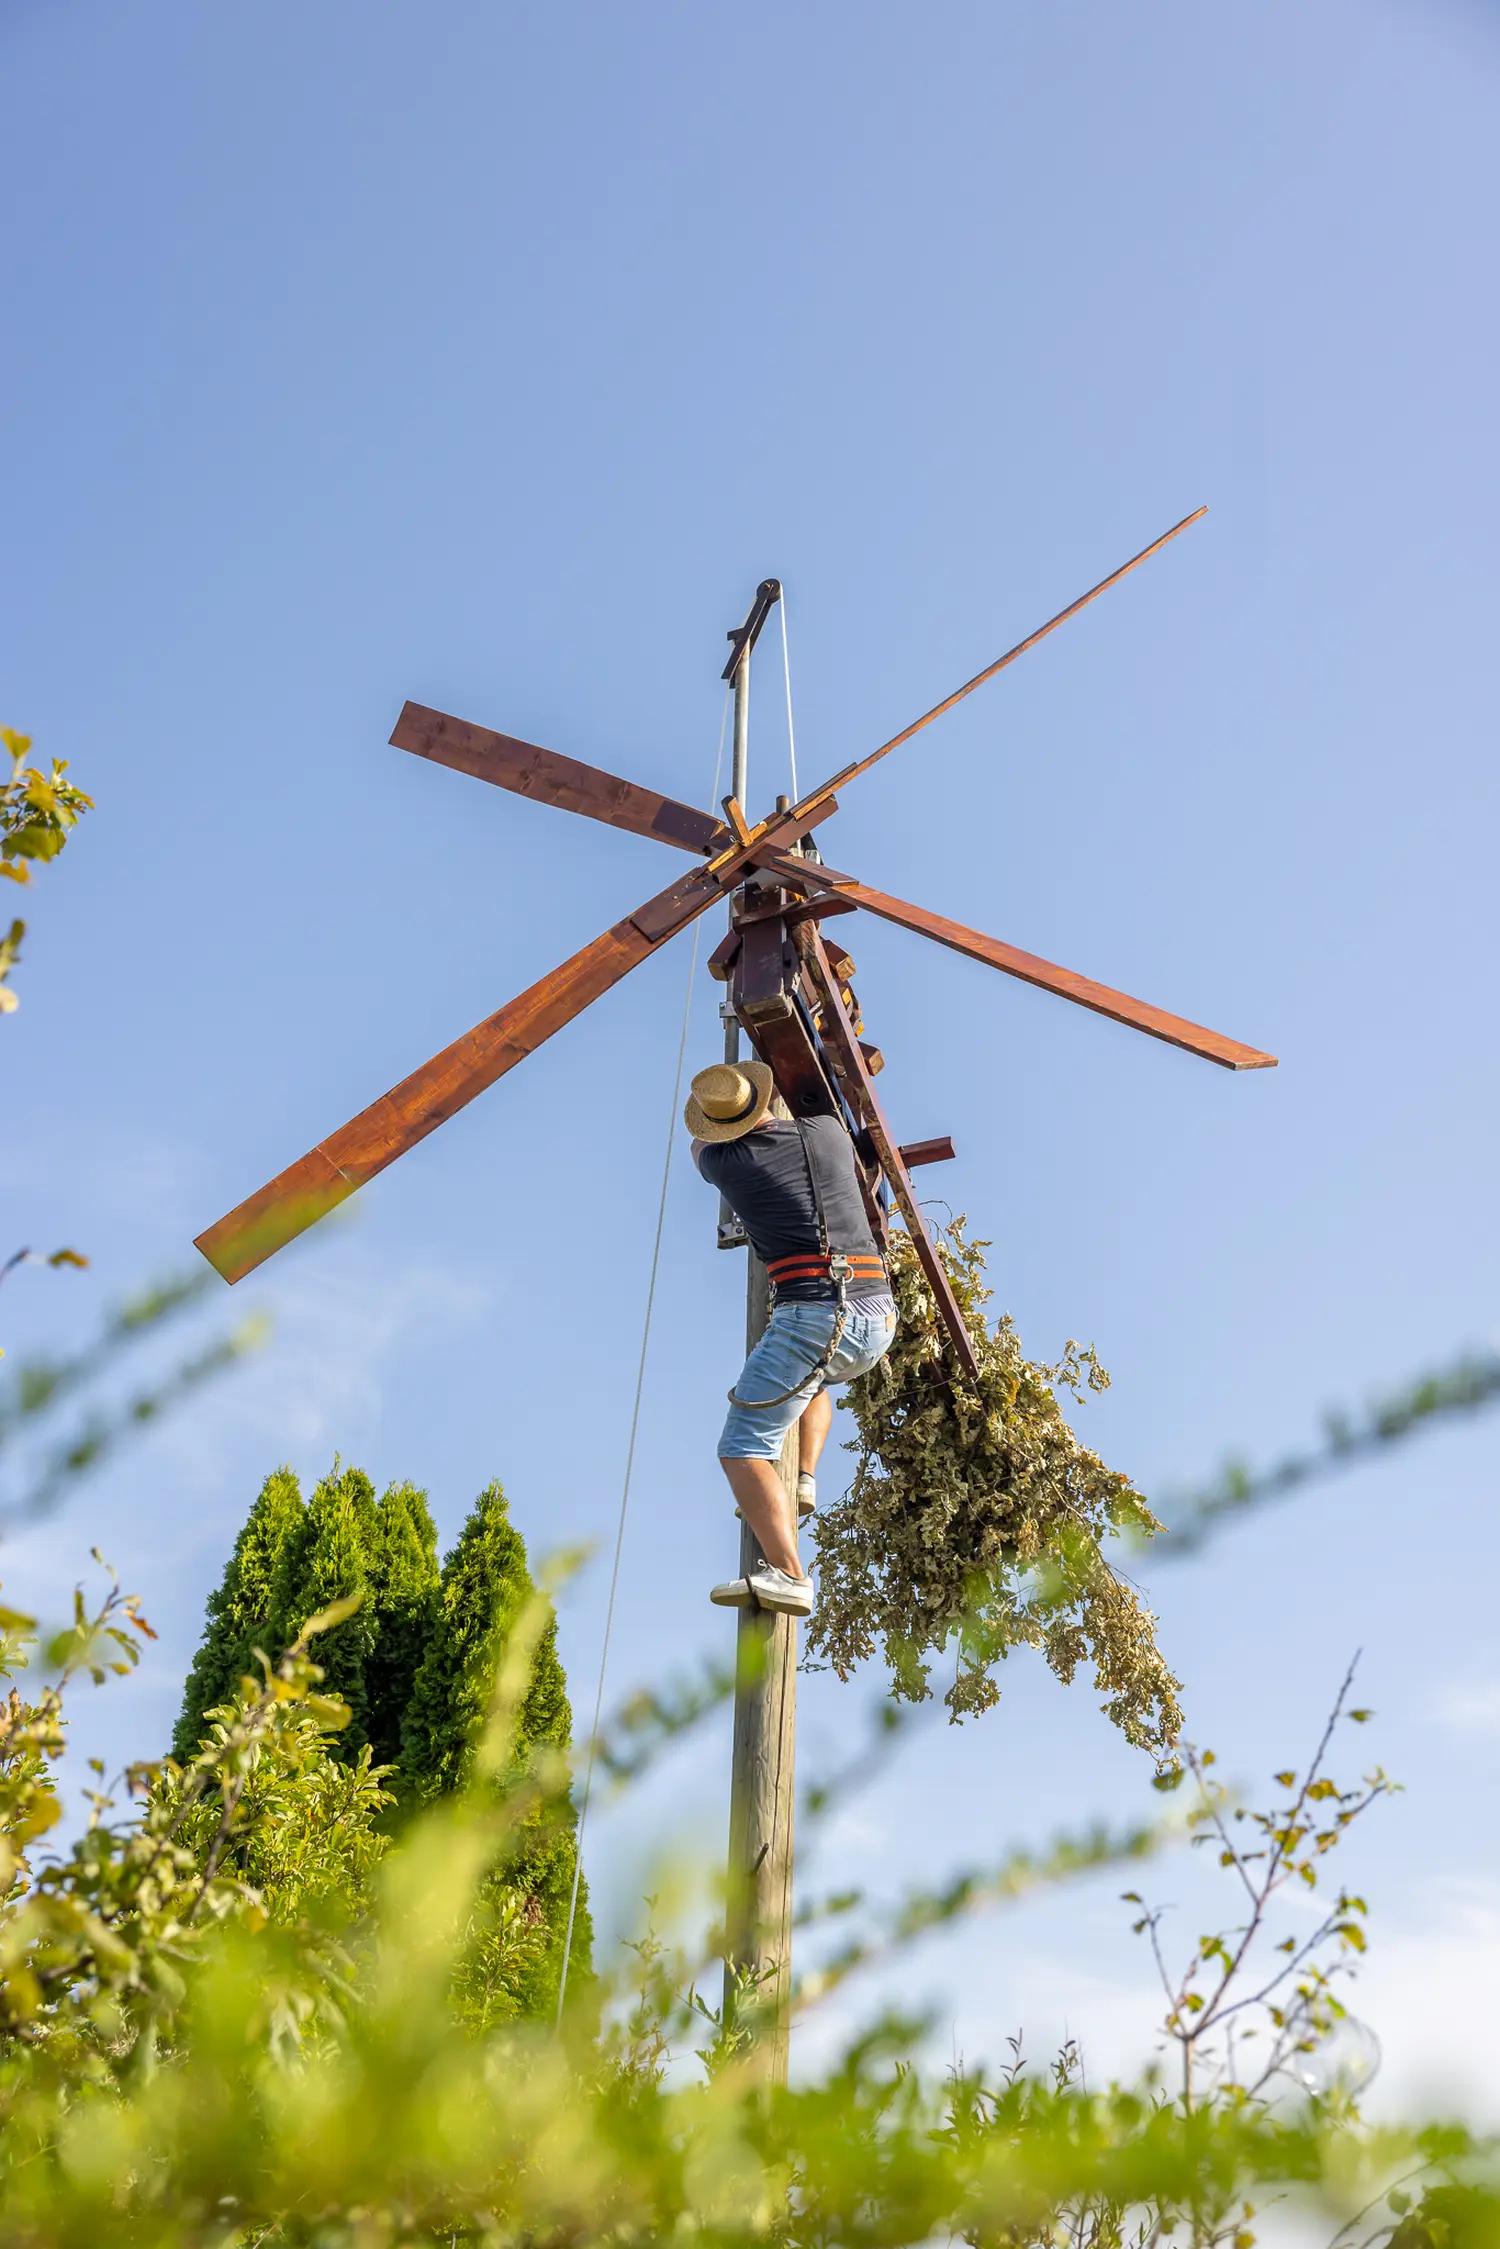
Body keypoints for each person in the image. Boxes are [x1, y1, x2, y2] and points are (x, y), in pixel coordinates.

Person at [686, 1059, 898, 1619]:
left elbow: (697, 1148)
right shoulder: (827, 1131)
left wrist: (718, 1128)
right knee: (809, 1383)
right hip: (877, 1315)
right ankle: (803, 1479)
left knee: (742, 1448)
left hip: (814, 1316)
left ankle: (790, 1575)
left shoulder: (724, 1162)